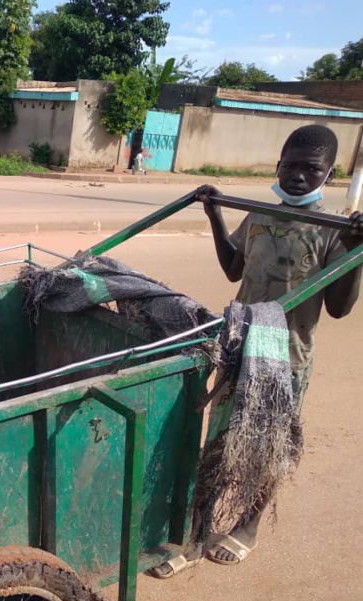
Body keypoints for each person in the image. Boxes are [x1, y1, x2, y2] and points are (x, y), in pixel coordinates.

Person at [152, 124, 363, 578]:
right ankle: (197, 530)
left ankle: (247, 527)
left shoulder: (332, 230)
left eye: (312, 169)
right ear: (277, 166)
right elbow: (233, 269)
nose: (299, 177)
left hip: (287, 354)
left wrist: (355, 252)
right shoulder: (260, 217)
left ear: (329, 174)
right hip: (242, 344)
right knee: (218, 440)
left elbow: (341, 308)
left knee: (270, 446)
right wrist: (215, 214)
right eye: (290, 167)